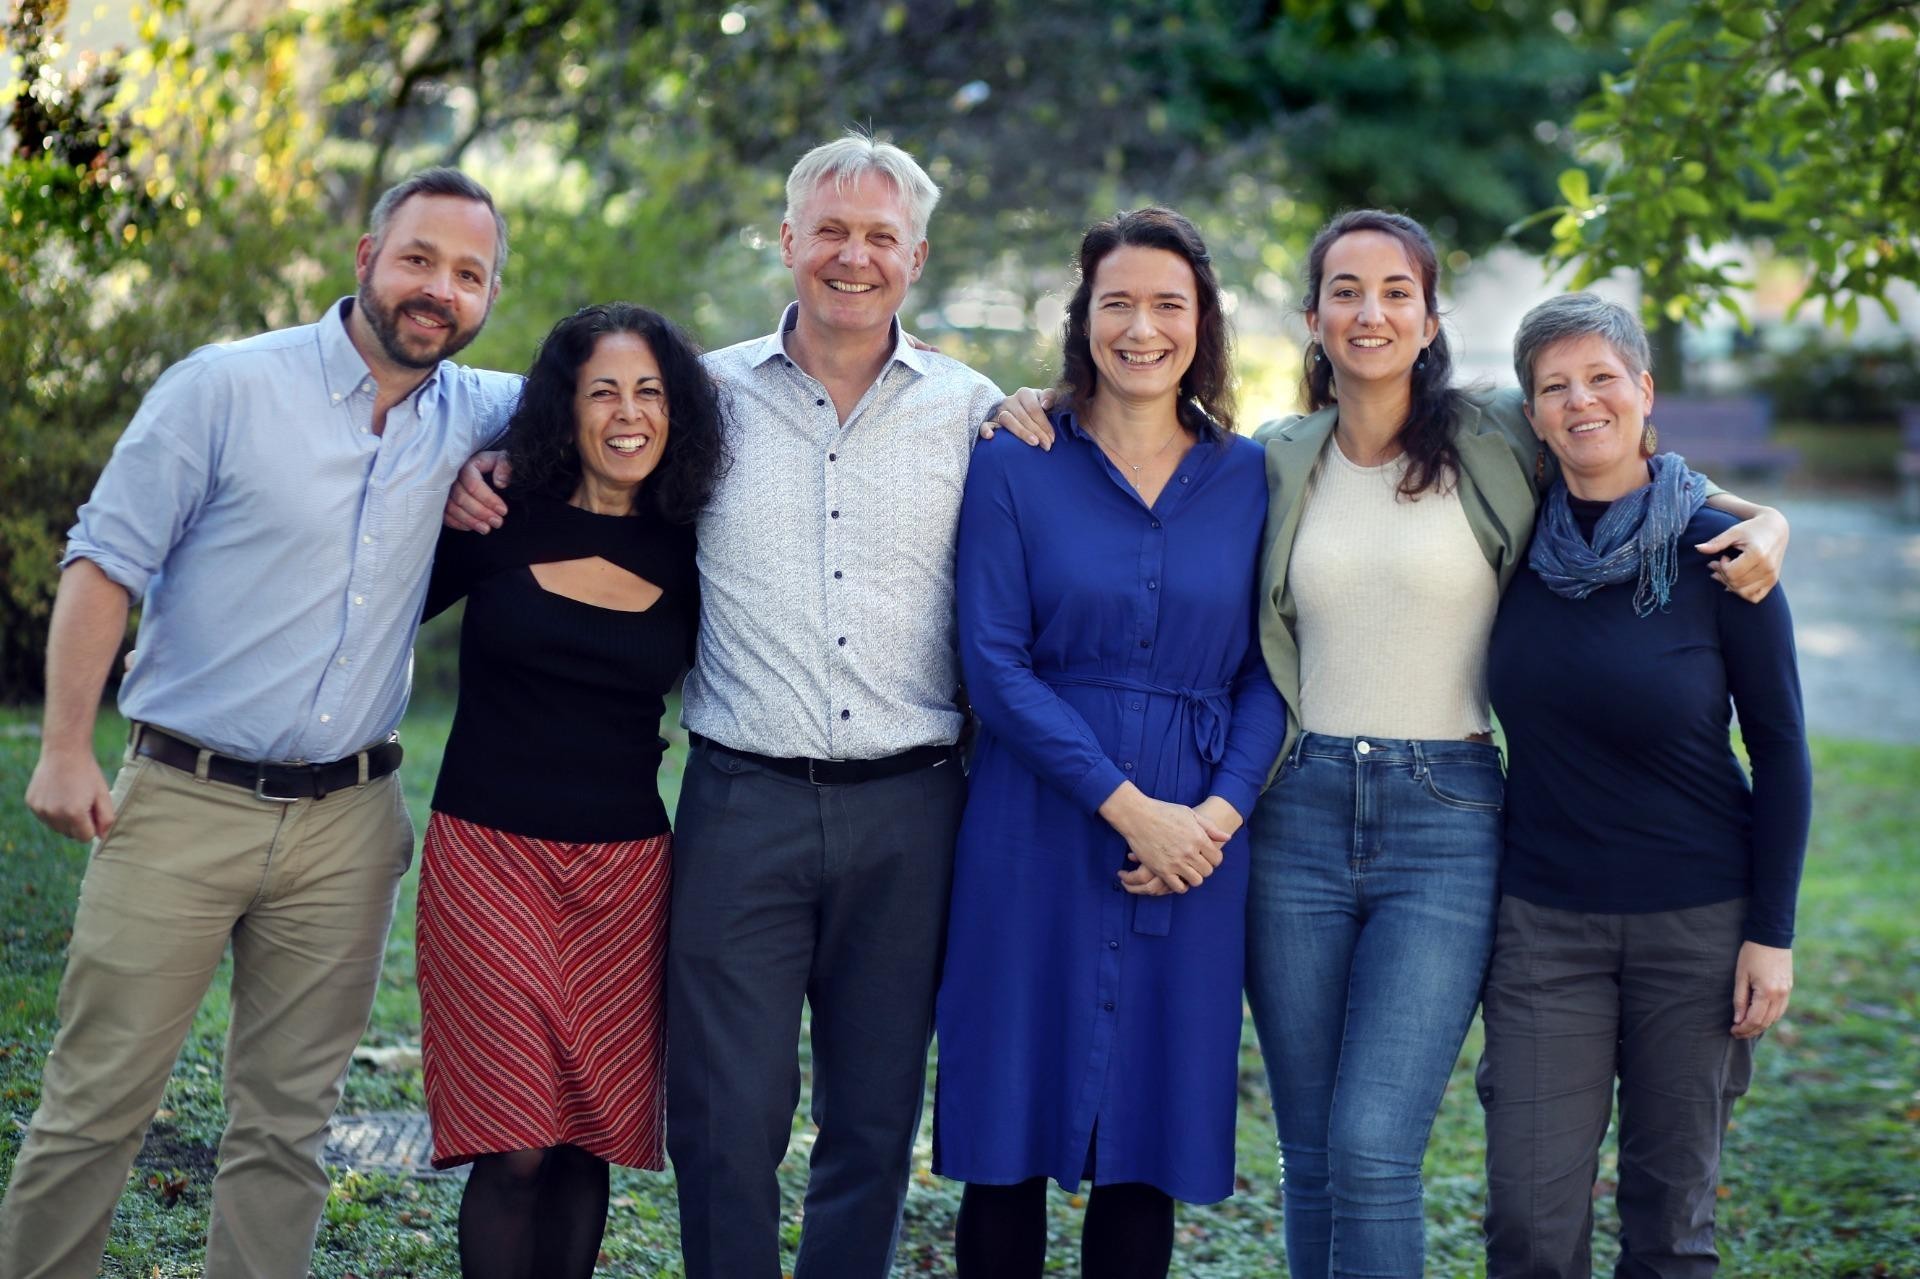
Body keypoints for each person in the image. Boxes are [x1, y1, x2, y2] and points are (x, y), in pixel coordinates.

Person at [444, 132, 1003, 1279]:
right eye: (831, 232)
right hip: (742, 802)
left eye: (881, 237)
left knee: (872, 1120)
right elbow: (580, 422)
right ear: (789, 241)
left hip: (913, 809)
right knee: (723, 1119)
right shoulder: (706, 396)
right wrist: (487, 461)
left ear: (920, 256)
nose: (854, 257)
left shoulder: (977, 411)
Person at [1239, 211, 1790, 1279]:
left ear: (1432, 316)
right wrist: (1032, 405)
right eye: (1345, 290)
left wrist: (1764, 517)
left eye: (1398, 290)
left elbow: (1626, 460)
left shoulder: (1496, 433)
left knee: (1371, 1143)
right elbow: (1152, 448)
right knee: (1310, 1152)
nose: (1371, 311)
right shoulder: (1274, 457)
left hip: (1445, 811)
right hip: (1296, 807)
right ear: (1311, 317)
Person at [3, 168, 519, 1279]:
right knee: (98, 1104)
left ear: (488, 298)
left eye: (469, 275)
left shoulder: (478, 408)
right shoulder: (226, 388)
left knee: (288, 1128)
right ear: (366, 259)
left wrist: (507, 460)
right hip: (183, 799)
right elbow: (105, 560)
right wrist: (61, 746)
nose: (440, 290)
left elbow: (626, 389)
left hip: (349, 820)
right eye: (419, 259)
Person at [933, 207, 1286, 1279]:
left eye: (1167, 305)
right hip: (1033, 818)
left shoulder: (1251, 475)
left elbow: (1271, 666)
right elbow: (992, 665)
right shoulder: (1014, 458)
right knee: (1008, 1132)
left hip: (1197, 844)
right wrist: (1133, 808)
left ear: (1203, 323)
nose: (1142, 328)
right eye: (1117, 303)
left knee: (1145, 1141)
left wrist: (1211, 821)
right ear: (1084, 318)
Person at [1478, 293, 1810, 1279]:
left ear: (1643, 390)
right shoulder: (1506, 547)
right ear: (1531, 412)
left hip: (1698, 927)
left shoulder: (1723, 552)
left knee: (1670, 1231)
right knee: (1530, 1227)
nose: (1582, 401)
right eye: (1554, 386)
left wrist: (1773, 931)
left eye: (1602, 377)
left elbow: (1784, 752)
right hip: (1543, 928)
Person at [414, 302, 725, 1278]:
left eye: (649, 392)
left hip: (626, 875)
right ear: (566, 406)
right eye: (604, 391)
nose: (629, 413)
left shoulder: (695, 544)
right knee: (516, 1143)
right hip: (487, 860)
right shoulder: (497, 510)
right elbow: (364, 599)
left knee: (584, 1132)